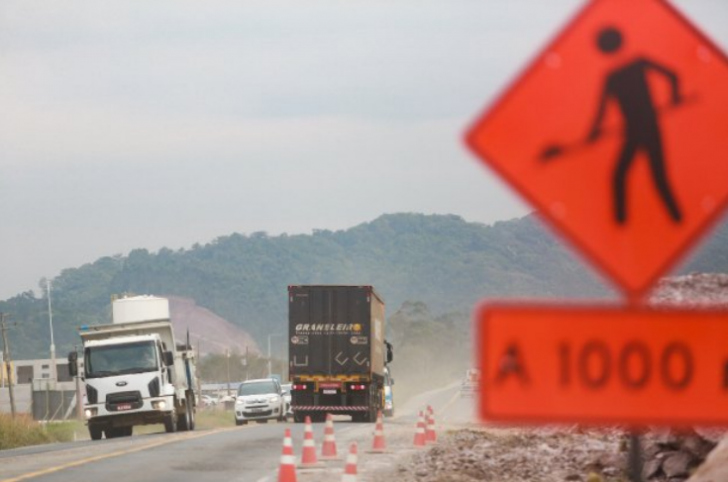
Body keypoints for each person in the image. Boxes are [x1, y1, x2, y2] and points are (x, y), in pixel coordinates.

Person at [587, 26, 683, 225]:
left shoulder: (614, 77)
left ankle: (625, 223)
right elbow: (673, 76)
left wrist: (593, 134)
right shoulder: (632, 67)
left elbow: (600, 114)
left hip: (642, 129)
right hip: (642, 129)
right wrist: (675, 98)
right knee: (649, 177)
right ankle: (627, 224)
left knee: (638, 177)